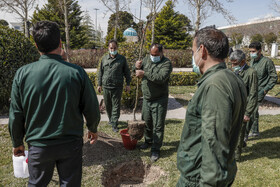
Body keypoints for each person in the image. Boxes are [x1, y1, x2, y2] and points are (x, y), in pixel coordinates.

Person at [9, 21, 100, 186]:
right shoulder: (76, 72)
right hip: (70, 144)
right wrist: (93, 128)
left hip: (38, 145)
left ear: (36, 45)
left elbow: (16, 113)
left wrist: (17, 142)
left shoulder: (22, 74)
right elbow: (91, 106)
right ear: (60, 42)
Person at [177, 27, 247, 186]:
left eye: (193, 51)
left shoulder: (215, 85)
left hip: (199, 178)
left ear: (202, 50)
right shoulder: (231, 78)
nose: (193, 56)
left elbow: (214, 141)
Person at [135, 43, 172, 162]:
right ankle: (148, 141)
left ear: (161, 53)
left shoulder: (166, 63)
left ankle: (156, 149)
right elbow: (137, 70)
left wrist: (145, 73)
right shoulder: (146, 59)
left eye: (156, 54)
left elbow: (160, 78)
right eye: (151, 54)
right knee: (147, 121)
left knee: (158, 125)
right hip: (147, 99)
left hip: (159, 99)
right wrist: (136, 66)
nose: (153, 56)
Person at [229, 49, 258, 161]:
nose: (233, 65)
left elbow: (253, 94)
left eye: (235, 63)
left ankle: (236, 156)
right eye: (231, 63)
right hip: (232, 106)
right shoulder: (232, 71)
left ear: (243, 61)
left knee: (240, 132)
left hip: (243, 108)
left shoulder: (251, 72)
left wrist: (248, 112)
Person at [97, 40, 131, 132]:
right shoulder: (104, 59)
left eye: (114, 48)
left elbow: (127, 73)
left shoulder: (122, 59)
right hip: (106, 86)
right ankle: (111, 119)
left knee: (116, 106)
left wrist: (128, 84)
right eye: (111, 48)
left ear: (117, 48)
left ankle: (114, 123)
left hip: (117, 86)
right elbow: (100, 72)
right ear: (108, 48)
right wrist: (99, 84)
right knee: (108, 106)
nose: (113, 49)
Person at [246, 42, 278, 138]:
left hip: (260, 90)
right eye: (250, 51)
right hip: (250, 90)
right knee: (252, 111)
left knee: (251, 111)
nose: (251, 53)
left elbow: (273, 77)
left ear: (259, 51)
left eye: (253, 51)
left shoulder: (267, 62)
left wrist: (265, 90)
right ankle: (255, 131)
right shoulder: (252, 62)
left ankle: (245, 134)